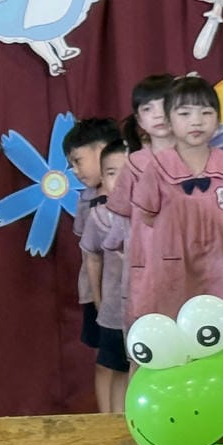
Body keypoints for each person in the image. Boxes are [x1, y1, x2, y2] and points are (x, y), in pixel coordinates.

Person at [133, 75, 223, 319]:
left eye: (206, 112)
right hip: (175, 269)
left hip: (220, 267)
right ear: (169, 121)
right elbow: (146, 217)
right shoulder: (157, 169)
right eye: (185, 113)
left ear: (218, 120)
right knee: (179, 323)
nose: (196, 121)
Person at [105, 74, 175, 331]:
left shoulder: (203, 158)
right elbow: (121, 215)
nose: (158, 114)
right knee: (153, 331)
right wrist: (114, 244)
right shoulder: (136, 163)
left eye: (166, 104)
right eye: (148, 108)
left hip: (197, 263)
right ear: (139, 120)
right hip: (150, 267)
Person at [62, 117, 122, 410]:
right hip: (98, 294)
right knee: (105, 361)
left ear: (102, 149)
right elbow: (89, 254)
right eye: (71, 165)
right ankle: (105, 420)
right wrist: (97, 299)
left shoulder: (135, 193)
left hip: (128, 295)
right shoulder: (86, 199)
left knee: (127, 363)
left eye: (77, 161)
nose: (75, 170)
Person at [79, 140, 130, 411]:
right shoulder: (98, 216)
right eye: (111, 173)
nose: (120, 180)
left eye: (127, 172)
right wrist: (98, 300)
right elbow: (93, 257)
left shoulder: (153, 213)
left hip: (148, 310)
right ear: (102, 176)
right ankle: (115, 425)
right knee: (117, 369)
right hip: (114, 312)